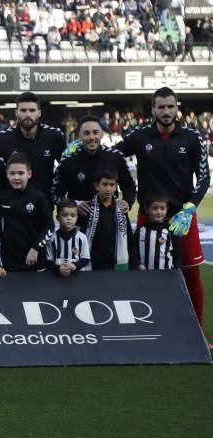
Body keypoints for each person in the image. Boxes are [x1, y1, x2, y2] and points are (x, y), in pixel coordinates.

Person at [115, 87, 209, 331]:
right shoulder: (139, 136)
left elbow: (204, 178)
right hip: (149, 216)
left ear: (177, 107)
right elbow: (112, 156)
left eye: (170, 106)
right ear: (153, 109)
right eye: (161, 107)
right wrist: (83, 148)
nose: (166, 111)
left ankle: (196, 332)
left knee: (190, 274)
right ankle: (154, 331)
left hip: (182, 217)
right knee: (148, 275)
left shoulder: (192, 137)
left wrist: (189, 208)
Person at [51, 115, 135, 211]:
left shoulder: (116, 157)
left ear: (102, 134)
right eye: (86, 133)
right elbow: (55, 195)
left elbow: (129, 186)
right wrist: (74, 204)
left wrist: (127, 201)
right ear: (80, 135)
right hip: (80, 222)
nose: (91, 137)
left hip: (110, 220)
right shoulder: (68, 161)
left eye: (95, 132)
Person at [0, 91, 66, 199]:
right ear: (16, 113)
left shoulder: (54, 136)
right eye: (23, 110)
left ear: (39, 113)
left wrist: (57, 196)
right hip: (11, 208)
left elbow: (66, 169)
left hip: (44, 206)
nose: (28, 114)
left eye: (32, 110)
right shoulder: (1, 140)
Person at [0, 152, 53, 272]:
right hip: (10, 261)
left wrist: (36, 248)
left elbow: (49, 226)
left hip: (34, 259)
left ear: (29, 174)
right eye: (12, 173)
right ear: (7, 175)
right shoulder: (1, 197)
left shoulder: (38, 197)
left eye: (21, 173)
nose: (16, 177)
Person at [78, 170, 135, 271]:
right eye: (104, 184)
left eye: (112, 185)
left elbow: (129, 238)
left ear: (116, 186)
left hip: (116, 265)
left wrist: (135, 263)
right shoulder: (87, 210)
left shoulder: (121, 209)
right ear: (97, 186)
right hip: (94, 265)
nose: (108, 188)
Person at [133, 194, 181, 271]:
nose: (159, 212)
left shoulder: (170, 231)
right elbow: (133, 252)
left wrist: (176, 270)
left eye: (162, 208)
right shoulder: (140, 231)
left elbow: (177, 254)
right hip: (144, 275)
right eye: (155, 208)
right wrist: (138, 264)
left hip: (166, 275)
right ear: (147, 209)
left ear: (167, 209)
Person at [46, 199, 90, 277]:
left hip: (78, 276)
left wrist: (75, 266)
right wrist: (58, 268)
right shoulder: (51, 238)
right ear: (57, 217)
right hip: (57, 277)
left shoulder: (82, 237)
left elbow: (86, 258)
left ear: (77, 217)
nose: (69, 218)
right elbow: (48, 260)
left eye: (73, 215)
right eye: (65, 215)